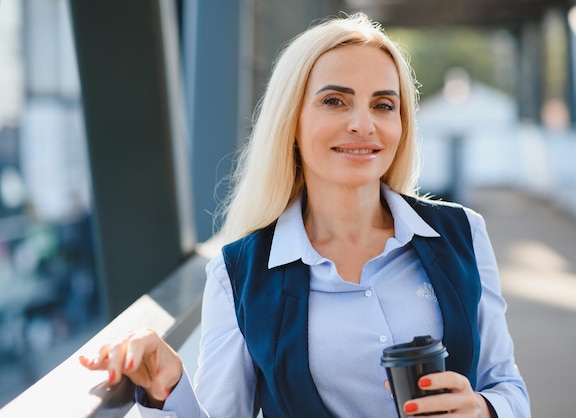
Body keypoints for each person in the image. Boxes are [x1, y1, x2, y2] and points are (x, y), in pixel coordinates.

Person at [79, 13, 531, 417]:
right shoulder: (239, 275)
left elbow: (507, 387)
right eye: (335, 101)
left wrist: (484, 411)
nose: (363, 123)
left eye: (383, 104)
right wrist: (168, 392)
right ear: (291, 121)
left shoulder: (463, 233)